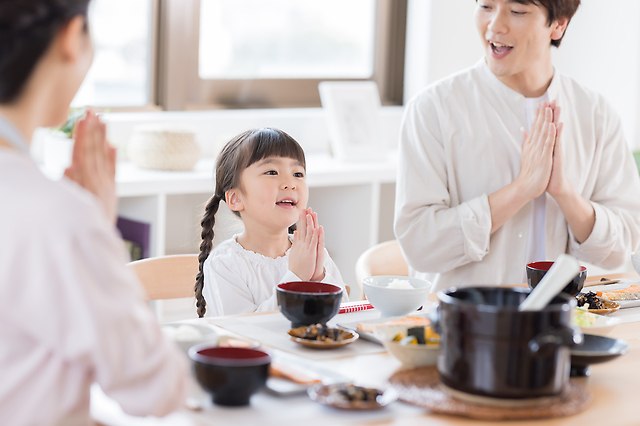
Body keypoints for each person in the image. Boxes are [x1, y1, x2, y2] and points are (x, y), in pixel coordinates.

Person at [0, 1, 187, 424]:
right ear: (71, 36)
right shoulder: (59, 218)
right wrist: (96, 235)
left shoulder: (57, 216)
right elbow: (156, 389)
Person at [395, 0, 640, 293]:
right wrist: (521, 189)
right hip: (465, 325)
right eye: (486, 6)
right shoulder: (433, 109)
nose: (495, 25)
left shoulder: (596, 114)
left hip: (561, 324)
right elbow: (419, 245)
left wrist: (564, 192)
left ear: (559, 23)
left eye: (517, 11)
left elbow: (622, 249)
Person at [194, 128, 348, 317]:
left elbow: (345, 318)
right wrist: (296, 278)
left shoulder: (313, 254)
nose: (290, 183)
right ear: (235, 199)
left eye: (298, 174)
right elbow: (243, 333)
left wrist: (318, 278)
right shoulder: (224, 264)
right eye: (272, 171)